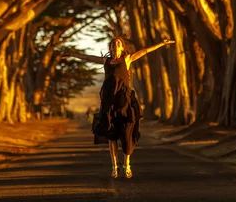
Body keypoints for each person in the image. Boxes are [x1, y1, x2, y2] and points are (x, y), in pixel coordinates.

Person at [64, 37, 175, 179]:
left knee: (127, 131)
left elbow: (145, 51)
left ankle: (127, 164)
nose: (116, 45)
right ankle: (114, 166)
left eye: (119, 43)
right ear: (110, 48)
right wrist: (72, 54)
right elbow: (87, 57)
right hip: (109, 101)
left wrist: (162, 43)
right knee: (111, 134)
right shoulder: (106, 61)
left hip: (124, 100)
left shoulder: (127, 59)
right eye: (113, 43)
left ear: (122, 47)